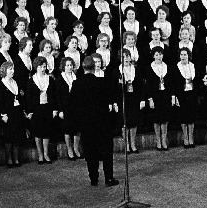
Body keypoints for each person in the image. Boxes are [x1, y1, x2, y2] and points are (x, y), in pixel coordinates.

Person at [70, 55, 119, 187]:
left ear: (83, 68)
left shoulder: (76, 84)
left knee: (90, 151)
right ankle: (109, 178)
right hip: (102, 122)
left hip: (86, 124)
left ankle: (93, 178)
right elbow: (108, 99)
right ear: (94, 68)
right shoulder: (102, 82)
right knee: (106, 151)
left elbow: (73, 104)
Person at [25, 55, 57, 164]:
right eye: (40, 67)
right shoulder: (31, 80)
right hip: (36, 109)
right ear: (36, 67)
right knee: (37, 132)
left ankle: (46, 154)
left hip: (47, 107)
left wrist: (54, 109)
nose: (43, 69)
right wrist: (30, 111)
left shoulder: (50, 79)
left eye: (44, 66)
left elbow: (54, 95)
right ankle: (40, 155)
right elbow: (28, 97)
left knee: (46, 131)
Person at [0, 62, 27, 167]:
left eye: (13, 69)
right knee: (9, 137)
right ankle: (9, 160)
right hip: (8, 114)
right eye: (10, 69)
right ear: (4, 71)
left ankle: (16, 158)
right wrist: (3, 114)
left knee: (17, 136)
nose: (12, 71)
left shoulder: (15, 82)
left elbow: (19, 98)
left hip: (17, 112)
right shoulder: (1, 85)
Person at [145, 47, 174, 151]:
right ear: (153, 56)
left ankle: (164, 140)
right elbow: (148, 85)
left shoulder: (167, 67)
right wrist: (150, 99)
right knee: (157, 120)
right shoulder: (149, 68)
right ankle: (158, 141)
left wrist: (172, 97)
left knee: (165, 119)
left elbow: (171, 83)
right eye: (156, 55)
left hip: (165, 95)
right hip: (155, 96)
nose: (159, 57)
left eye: (160, 54)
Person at [55, 57, 81, 160]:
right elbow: (58, 96)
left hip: (76, 107)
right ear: (63, 67)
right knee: (67, 129)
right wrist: (60, 110)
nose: (69, 67)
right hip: (65, 107)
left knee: (77, 129)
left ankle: (76, 149)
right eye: (67, 65)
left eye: (71, 65)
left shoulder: (76, 77)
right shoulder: (59, 79)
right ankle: (69, 150)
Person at [119, 48, 143, 153]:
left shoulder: (136, 70)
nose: (126, 58)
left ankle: (133, 144)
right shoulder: (117, 71)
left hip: (134, 98)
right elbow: (114, 89)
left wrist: (142, 100)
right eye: (123, 57)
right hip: (123, 99)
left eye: (127, 56)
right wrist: (121, 84)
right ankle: (127, 145)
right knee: (125, 123)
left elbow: (141, 86)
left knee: (133, 122)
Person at [173, 47, 197, 148]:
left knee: (191, 117)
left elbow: (196, 80)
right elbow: (174, 84)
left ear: (188, 56)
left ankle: (191, 137)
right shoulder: (176, 67)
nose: (183, 56)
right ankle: (185, 138)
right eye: (181, 55)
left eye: (185, 54)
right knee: (183, 117)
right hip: (181, 95)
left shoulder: (193, 66)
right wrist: (175, 97)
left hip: (191, 94)